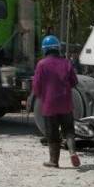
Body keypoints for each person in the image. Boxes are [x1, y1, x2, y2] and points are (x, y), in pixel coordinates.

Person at [32, 35, 81, 168]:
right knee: (69, 130)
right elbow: (74, 82)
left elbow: (36, 87)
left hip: (49, 105)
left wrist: (40, 95)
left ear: (45, 50)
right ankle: (72, 152)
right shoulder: (66, 63)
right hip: (66, 103)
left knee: (52, 134)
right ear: (58, 48)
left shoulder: (41, 64)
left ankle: (54, 161)